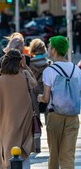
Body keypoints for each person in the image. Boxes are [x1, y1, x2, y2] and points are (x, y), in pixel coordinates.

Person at [37, 36, 81, 169]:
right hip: (73, 116)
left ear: (54, 50)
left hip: (55, 115)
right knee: (68, 154)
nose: (48, 49)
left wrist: (39, 98)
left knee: (54, 154)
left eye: (49, 47)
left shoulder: (49, 71)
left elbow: (45, 98)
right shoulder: (77, 70)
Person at [0, 49, 36, 169]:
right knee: (23, 151)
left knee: (8, 150)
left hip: (6, 122)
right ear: (19, 62)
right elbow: (34, 84)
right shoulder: (25, 76)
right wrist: (25, 67)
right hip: (25, 120)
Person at [28, 38, 52, 153]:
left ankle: (36, 147)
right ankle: (51, 145)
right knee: (49, 122)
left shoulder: (29, 65)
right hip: (48, 95)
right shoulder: (50, 64)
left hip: (33, 94)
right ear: (44, 50)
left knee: (35, 120)